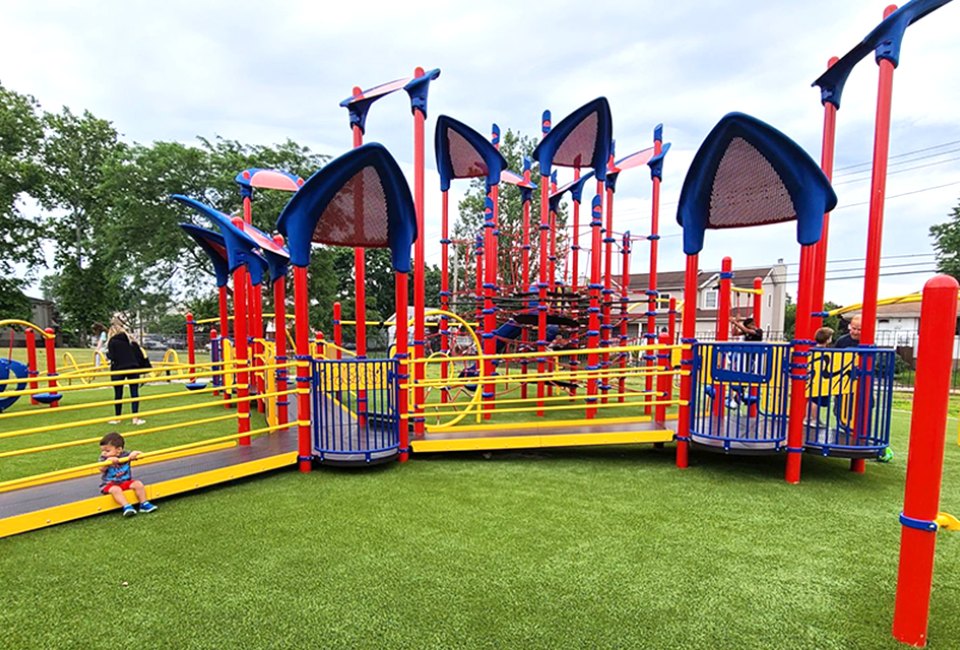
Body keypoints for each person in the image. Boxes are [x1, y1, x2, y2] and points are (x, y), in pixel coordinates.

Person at [98, 432, 157, 517]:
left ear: (119, 450)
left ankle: (144, 503)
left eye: (107, 451)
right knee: (116, 490)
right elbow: (101, 469)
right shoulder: (103, 458)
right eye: (102, 450)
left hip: (125, 481)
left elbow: (140, 454)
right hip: (110, 484)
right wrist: (107, 462)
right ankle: (126, 506)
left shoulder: (125, 454)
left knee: (138, 484)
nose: (104, 453)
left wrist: (135, 454)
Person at [106, 316, 147, 425]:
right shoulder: (130, 341)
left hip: (118, 369)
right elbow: (139, 354)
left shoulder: (112, 341)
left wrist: (107, 355)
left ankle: (118, 418)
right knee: (134, 393)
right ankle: (135, 418)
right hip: (133, 367)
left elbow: (112, 356)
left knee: (118, 394)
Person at [806, 326, 835, 435]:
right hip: (821, 379)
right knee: (816, 400)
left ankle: (808, 418)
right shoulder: (825, 352)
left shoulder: (811, 349)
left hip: (813, 378)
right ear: (828, 339)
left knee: (812, 399)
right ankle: (814, 419)